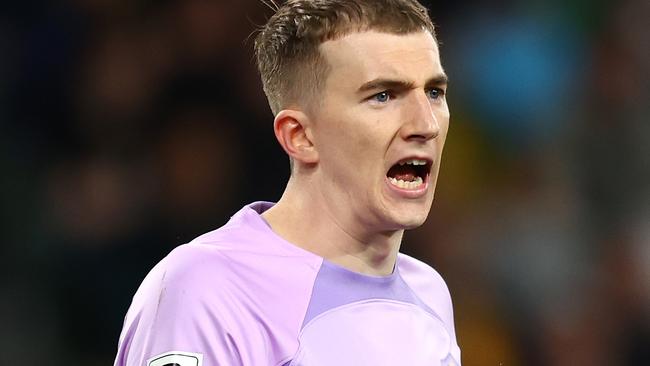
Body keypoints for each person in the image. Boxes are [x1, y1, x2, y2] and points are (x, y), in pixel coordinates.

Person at [114, 0, 460, 365]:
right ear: (300, 137)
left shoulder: (430, 294)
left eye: (434, 92)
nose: (426, 124)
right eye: (383, 96)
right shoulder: (206, 291)